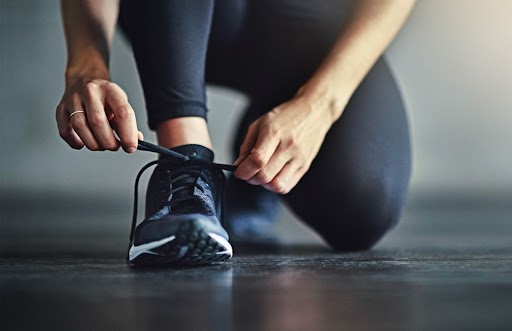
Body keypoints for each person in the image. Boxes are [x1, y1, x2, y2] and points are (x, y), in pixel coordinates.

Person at [57, 0, 415, 265]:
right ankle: (185, 170)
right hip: (179, 16)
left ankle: (254, 163)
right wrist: (85, 67)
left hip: (313, 21)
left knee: (364, 208)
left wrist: (319, 105)